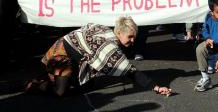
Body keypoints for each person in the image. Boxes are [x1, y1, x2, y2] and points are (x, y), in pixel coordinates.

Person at [25, 16, 172, 97]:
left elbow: (87, 29)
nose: (133, 40)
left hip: (73, 55)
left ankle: (50, 75)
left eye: (135, 37)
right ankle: (36, 85)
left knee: (87, 85)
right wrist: (155, 87)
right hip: (61, 54)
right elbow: (130, 71)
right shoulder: (110, 47)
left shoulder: (106, 31)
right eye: (130, 37)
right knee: (60, 91)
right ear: (119, 33)